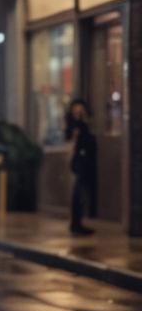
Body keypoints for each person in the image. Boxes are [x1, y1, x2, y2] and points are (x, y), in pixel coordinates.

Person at [65, 98, 97, 236]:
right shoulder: (75, 125)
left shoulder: (84, 123)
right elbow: (72, 140)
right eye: (76, 110)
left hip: (86, 160)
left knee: (81, 192)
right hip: (79, 160)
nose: (79, 112)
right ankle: (76, 224)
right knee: (78, 193)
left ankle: (77, 223)